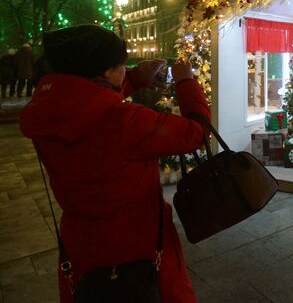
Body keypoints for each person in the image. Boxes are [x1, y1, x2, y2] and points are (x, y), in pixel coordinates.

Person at [19, 25, 208, 303]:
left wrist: (132, 78)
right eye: (122, 64)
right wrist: (186, 82)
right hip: (139, 243)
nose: (124, 69)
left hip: (82, 244)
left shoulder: (47, 112)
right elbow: (196, 132)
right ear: (107, 71)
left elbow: (85, 103)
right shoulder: (126, 121)